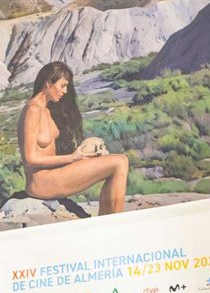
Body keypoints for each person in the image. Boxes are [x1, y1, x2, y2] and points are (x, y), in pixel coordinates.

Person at [17, 61, 129, 216]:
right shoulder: (33, 110)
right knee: (119, 162)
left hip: (52, 176)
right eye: (62, 86)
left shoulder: (45, 109)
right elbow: (30, 159)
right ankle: (113, 223)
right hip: (42, 183)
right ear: (48, 83)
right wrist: (72, 158)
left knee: (117, 161)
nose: (65, 91)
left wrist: (84, 156)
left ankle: (106, 220)